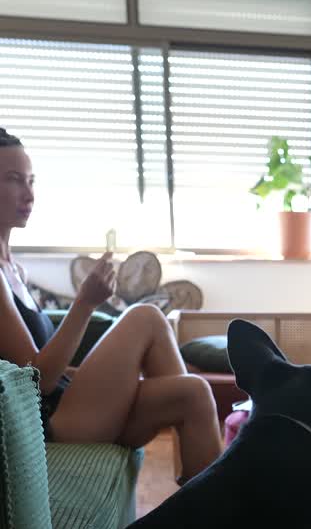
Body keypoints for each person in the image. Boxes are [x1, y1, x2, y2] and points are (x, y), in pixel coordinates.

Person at [0, 128, 222, 480]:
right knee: (144, 317)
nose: (28, 193)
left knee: (194, 394)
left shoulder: (16, 270)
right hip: (48, 424)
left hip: (67, 403)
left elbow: (50, 366)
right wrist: (85, 303)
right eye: (14, 181)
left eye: (31, 181)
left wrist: (117, 378)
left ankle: (208, 522)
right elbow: (37, 381)